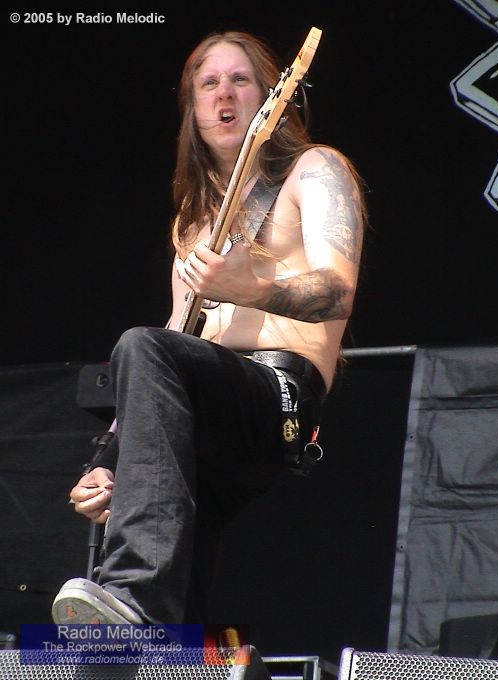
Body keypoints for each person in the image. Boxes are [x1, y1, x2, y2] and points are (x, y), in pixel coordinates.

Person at [52, 29, 366, 626]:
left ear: (272, 97)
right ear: (192, 108)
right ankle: (150, 640)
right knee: (178, 560)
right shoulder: (193, 224)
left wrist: (252, 289)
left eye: (240, 79)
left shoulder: (314, 170)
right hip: (200, 406)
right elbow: (177, 336)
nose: (224, 93)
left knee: (141, 345)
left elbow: (338, 291)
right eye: (209, 83)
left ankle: (134, 588)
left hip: (275, 397)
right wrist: (109, 461)